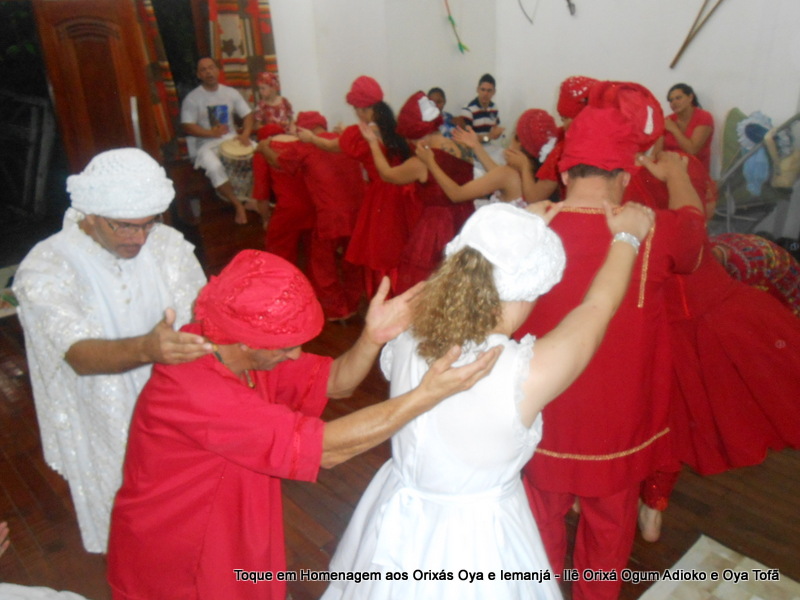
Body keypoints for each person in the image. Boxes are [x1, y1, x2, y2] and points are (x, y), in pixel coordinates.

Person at [106, 250, 501, 600]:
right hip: (183, 542)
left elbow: (337, 382)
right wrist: (425, 397)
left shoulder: (232, 343)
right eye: (287, 346)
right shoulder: (196, 388)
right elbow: (327, 449)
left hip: (230, 517)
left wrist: (372, 337)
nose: (296, 355)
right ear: (246, 341)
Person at [322, 199, 655, 600]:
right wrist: (627, 237)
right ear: (533, 288)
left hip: (396, 512)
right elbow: (598, 306)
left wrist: (510, 231)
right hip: (478, 538)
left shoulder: (407, 335)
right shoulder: (524, 373)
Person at [513, 81, 707, 600]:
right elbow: (694, 234)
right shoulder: (653, 230)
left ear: (563, 172)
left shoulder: (525, 228)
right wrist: (678, 176)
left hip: (540, 413)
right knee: (608, 531)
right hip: (616, 423)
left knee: (538, 524)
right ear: (625, 175)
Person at [12, 148, 209, 553]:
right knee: (132, 520)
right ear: (90, 214)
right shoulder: (48, 266)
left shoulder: (166, 244)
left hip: (179, 404)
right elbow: (79, 356)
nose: (140, 238)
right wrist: (148, 348)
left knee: (195, 514)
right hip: (105, 414)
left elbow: (203, 313)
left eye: (149, 223)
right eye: (126, 226)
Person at [625, 155, 800, 543]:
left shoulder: (625, 184)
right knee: (693, 418)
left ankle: (637, 502)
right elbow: (699, 216)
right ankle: (652, 507)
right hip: (713, 314)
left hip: (659, 323)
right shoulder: (678, 170)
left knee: (657, 422)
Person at [297, 76, 416, 296]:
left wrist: (311, 138)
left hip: (381, 195)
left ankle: (384, 296)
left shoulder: (360, 135)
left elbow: (330, 146)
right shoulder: (395, 127)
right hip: (406, 192)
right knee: (402, 246)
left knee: (379, 250)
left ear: (361, 109)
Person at [359, 91, 474, 293]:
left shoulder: (421, 162)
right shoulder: (463, 148)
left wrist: (372, 143)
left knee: (429, 284)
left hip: (437, 227)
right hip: (467, 220)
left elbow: (387, 174)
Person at [258, 110, 365, 320]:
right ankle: (352, 305)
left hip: (330, 215)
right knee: (352, 262)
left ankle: (335, 310)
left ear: (303, 129)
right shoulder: (342, 141)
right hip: (359, 212)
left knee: (323, 264)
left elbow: (278, 162)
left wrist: (263, 148)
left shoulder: (306, 145)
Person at [425, 108, 559, 208]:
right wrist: (476, 145)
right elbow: (497, 174)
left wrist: (430, 162)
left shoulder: (507, 174)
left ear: (519, 141)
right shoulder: (539, 180)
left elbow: (456, 194)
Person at [181, 57, 255, 224]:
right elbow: (187, 126)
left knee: (260, 153)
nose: (208, 72)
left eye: (211, 68)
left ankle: (254, 199)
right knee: (215, 168)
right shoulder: (192, 98)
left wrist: (245, 134)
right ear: (199, 75)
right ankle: (238, 205)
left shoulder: (231, 93)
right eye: (203, 69)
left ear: (218, 70)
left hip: (232, 139)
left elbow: (248, 115)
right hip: (206, 144)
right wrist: (210, 133)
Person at [523, 75, 598, 203]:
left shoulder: (565, 149)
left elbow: (534, 197)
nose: (564, 126)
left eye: (565, 119)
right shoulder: (615, 144)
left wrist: (523, 166)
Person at [653, 83, 714, 172]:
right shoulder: (668, 120)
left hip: (694, 171)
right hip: (668, 169)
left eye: (678, 98)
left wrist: (674, 129)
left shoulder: (704, 117)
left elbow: (692, 150)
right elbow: (656, 154)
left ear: (690, 97)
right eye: (671, 100)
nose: (674, 103)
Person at [454, 73, 504, 144]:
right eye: (483, 89)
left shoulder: (494, 108)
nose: (485, 94)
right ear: (477, 90)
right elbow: (468, 139)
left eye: (489, 90)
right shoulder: (468, 109)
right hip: (472, 148)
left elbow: (494, 134)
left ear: (494, 92)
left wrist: (497, 133)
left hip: (489, 146)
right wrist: (489, 137)